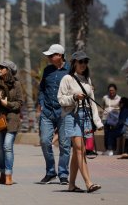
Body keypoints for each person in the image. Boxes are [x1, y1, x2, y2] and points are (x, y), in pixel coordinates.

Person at [58, 51, 103, 193]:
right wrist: (74, 97)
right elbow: (60, 99)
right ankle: (89, 183)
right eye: (80, 61)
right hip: (72, 115)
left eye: (85, 62)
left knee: (77, 152)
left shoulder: (87, 80)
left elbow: (92, 102)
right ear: (74, 63)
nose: (83, 64)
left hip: (86, 117)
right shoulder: (67, 78)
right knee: (80, 149)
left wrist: (97, 121)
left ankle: (71, 184)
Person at [37, 44, 71, 185]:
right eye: (49, 56)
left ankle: (63, 174)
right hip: (47, 112)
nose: (49, 58)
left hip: (65, 112)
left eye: (52, 55)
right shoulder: (47, 70)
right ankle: (50, 172)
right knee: (45, 141)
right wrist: (42, 104)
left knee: (64, 144)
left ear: (60, 56)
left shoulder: (71, 70)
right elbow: (42, 89)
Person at [0, 60, 23, 185]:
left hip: (12, 119)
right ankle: (2, 171)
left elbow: (19, 103)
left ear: (8, 70)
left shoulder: (17, 84)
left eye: (2, 67)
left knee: (7, 146)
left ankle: (8, 174)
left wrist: (7, 104)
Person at [101, 84, 121, 156]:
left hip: (114, 119)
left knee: (113, 134)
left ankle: (113, 149)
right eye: (110, 90)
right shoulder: (105, 98)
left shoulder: (119, 98)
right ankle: (107, 149)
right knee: (106, 134)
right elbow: (103, 106)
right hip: (105, 118)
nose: (111, 92)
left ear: (115, 90)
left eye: (112, 90)